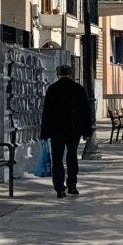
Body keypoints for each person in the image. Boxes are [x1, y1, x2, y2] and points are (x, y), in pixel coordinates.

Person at [41, 65, 91, 199]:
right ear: (70, 74)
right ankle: (72, 185)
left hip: (56, 130)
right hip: (74, 130)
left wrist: (44, 133)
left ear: (58, 75)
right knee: (72, 157)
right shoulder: (79, 89)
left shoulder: (52, 89)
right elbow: (86, 111)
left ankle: (59, 189)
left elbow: (47, 112)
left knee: (57, 159)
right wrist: (87, 131)